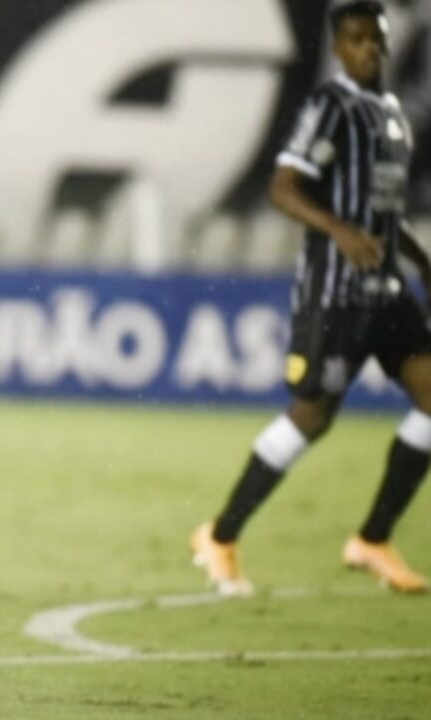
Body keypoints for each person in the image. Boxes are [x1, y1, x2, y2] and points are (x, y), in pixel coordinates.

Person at [191, 0, 430, 597]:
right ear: (340, 47)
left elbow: (382, 210)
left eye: (377, 39)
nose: (370, 50)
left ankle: (373, 538)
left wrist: (420, 260)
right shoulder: (329, 106)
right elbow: (283, 188)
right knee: (312, 416)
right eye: (356, 40)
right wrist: (340, 231)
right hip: (337, 295)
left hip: (390, 291)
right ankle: (220, 534)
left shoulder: (394, 114)